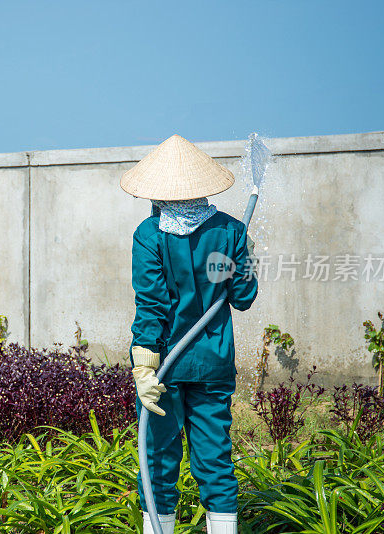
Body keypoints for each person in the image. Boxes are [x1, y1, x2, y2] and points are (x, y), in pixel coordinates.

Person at [120, 134, 258, 534]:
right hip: (214, 364)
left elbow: (152, 306)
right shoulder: (230, 231)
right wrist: (244, 255)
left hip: (165, 365)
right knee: (215, 458)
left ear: (159, 192)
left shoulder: (150, 235)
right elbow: (244, 297)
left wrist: (143, 369)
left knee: (159, 460)